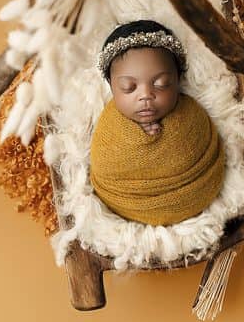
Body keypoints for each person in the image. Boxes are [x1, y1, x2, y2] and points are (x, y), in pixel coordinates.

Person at [89, 20, 225, 226]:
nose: (145, 95)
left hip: (196, 194)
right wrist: (135, 138)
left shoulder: (191, 116)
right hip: (126, 204)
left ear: (177, 80)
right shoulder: (109, 126)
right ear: (112, 86)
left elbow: (202, 147)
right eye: (128, 87)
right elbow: (104, 163)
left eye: (160, 84)